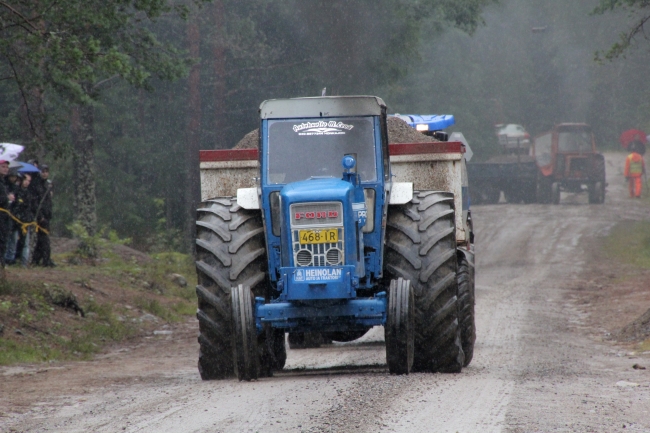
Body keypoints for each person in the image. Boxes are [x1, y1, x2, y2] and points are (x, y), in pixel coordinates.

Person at [5, 173, 35, 266]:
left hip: (26, 222)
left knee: (25, 243)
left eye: (29, 181)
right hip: (15, 221)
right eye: (25, 180)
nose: (27, 182)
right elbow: (12, 206)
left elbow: (30, 207)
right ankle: (9, 260)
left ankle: (24, 262)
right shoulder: (15, 190)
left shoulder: (29, 193)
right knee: (12, 242)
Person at [30, 164, 54, 267]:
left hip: (47, 214)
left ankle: (36, 259)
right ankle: (46, 260)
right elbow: (35, 202)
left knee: (41, 240)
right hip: (40, 216)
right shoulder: (36, 185)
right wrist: (40, 216)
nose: (44, 174)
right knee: (44, 239)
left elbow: (48, 202)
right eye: (43, 172)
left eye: (46, 172)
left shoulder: (47, 185)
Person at [0, 160, 14, 273]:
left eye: (6, 167)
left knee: (4, 239)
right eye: (3, 166)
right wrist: (6, 198)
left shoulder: (4, 182)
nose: (5, 169)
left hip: (5, 215)